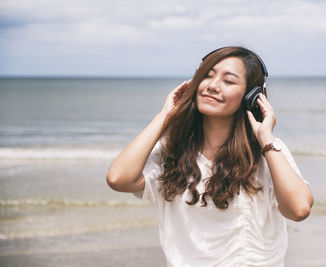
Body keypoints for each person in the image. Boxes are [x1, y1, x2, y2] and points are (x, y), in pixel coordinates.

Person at [106, 46, 314, 266]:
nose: (212, 86)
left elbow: (299, 209)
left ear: (251, 97)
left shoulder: (268, 151)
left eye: (229, 81)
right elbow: (118, 179)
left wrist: (266, 139)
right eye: (207, 75)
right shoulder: (171, 151)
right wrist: (165, 116)